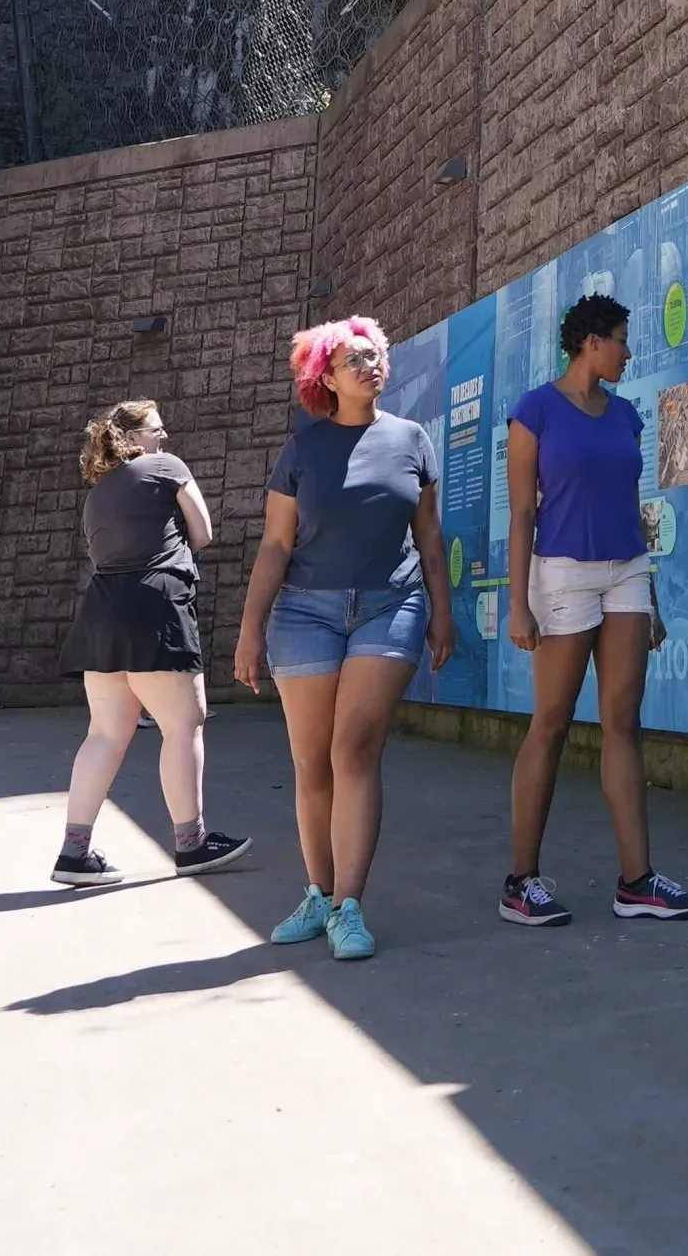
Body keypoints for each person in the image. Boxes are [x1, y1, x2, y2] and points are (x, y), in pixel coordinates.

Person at [233, 316, 454, 960]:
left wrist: (442, 611)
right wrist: (249, 629)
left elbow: (429, 535)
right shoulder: (302, 450)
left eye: (374, 355)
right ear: (324, 377)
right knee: (311, 762)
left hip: (392, 605)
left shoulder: (412, 439)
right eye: (352, 359)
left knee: (353, 750)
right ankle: (319, 893)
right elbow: (276, 545)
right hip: (305, 612)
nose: (369, 365)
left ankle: (349, 907)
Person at [501, 290, 688, 928]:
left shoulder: (626, 416)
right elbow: (523, 513)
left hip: (627, 574)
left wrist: (652, 597)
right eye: (620, 340)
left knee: (623, 722)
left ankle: (637, 882)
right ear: (591, 342)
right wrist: (518, 604)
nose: (628, 352)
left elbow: (630, 506)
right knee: (551, 723)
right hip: (562, 575)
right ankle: (521, 883)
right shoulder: (534, 411)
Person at [52, 399, 249, 888]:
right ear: (132, 438)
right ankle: (192, 843)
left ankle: (73, 854)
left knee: (104, 733)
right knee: (184, 724)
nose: (164, 437)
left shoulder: (97, 492)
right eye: (156, 430)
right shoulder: (168, 467)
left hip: (102, 608)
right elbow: (202, 532)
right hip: (156, 601)